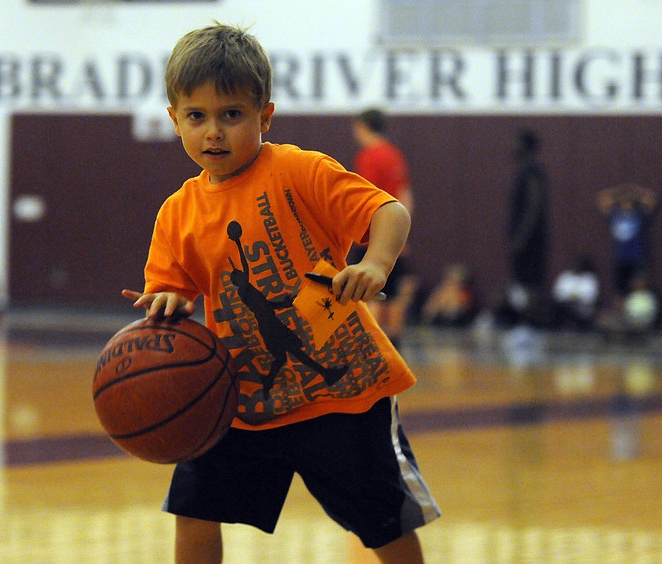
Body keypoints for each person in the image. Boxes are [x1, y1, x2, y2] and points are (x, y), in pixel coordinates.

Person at [121, 24, 439, 563]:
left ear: (265, 116)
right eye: (197, 117)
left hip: (344, 395)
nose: (214, 132)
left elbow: (390, 211)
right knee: (195, 507)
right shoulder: (177, 213)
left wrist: (377, 263)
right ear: (175, 120)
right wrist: (168, 303)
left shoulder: (299, 170)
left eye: (232, 115)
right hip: (241, 402)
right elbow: (168, 292)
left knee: (383, 523)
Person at [348, 108, 414, 345]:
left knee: (368, 292)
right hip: (394, 234)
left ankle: (371, 345)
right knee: (394, 294)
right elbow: (406, 197)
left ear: (363, 126)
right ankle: (395, 348)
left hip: (371, 235)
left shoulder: (368, 156)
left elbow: (367, 198)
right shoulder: (394, 155)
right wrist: (401, 235)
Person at [506, 128, 550, 326]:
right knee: (522, 281)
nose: (513, 147)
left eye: (518, 143)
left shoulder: (533, 170)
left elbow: (534, 206)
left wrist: (522, 237)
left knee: (531, 281)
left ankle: (532, 320)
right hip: (524, 238)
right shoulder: (524, 169)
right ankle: (524, 319)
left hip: (531, 240)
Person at [596, 183, 658, 299]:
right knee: (620, 290)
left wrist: (635, 192)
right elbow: (601, 199)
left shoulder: (639, 215)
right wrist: (619, 192)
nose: (627, 205)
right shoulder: (614, 215)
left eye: (629, 202)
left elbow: (651, 199)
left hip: (637, 256)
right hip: (620, 258)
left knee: (640, 288)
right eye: (624, 202)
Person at [551, 254, 600, 331]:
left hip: (582, 306)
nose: (577, 266)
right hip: (564, 304)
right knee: (561, 307)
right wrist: (569, 298)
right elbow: (557, 293)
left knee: (580, 309)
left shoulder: (589, 278)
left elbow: (591, 296)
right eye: (576, 263)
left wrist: (576, 297)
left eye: (580, 264)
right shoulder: (565, 276)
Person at [420, 262, 478, 328]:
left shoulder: (465, 296)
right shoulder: (439, 293)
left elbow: (455, 317)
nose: (449, 284)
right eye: (447, 280)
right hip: (435, 330)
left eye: (453, 282)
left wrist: (449, 303)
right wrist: (436, 302)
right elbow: (427, 315)